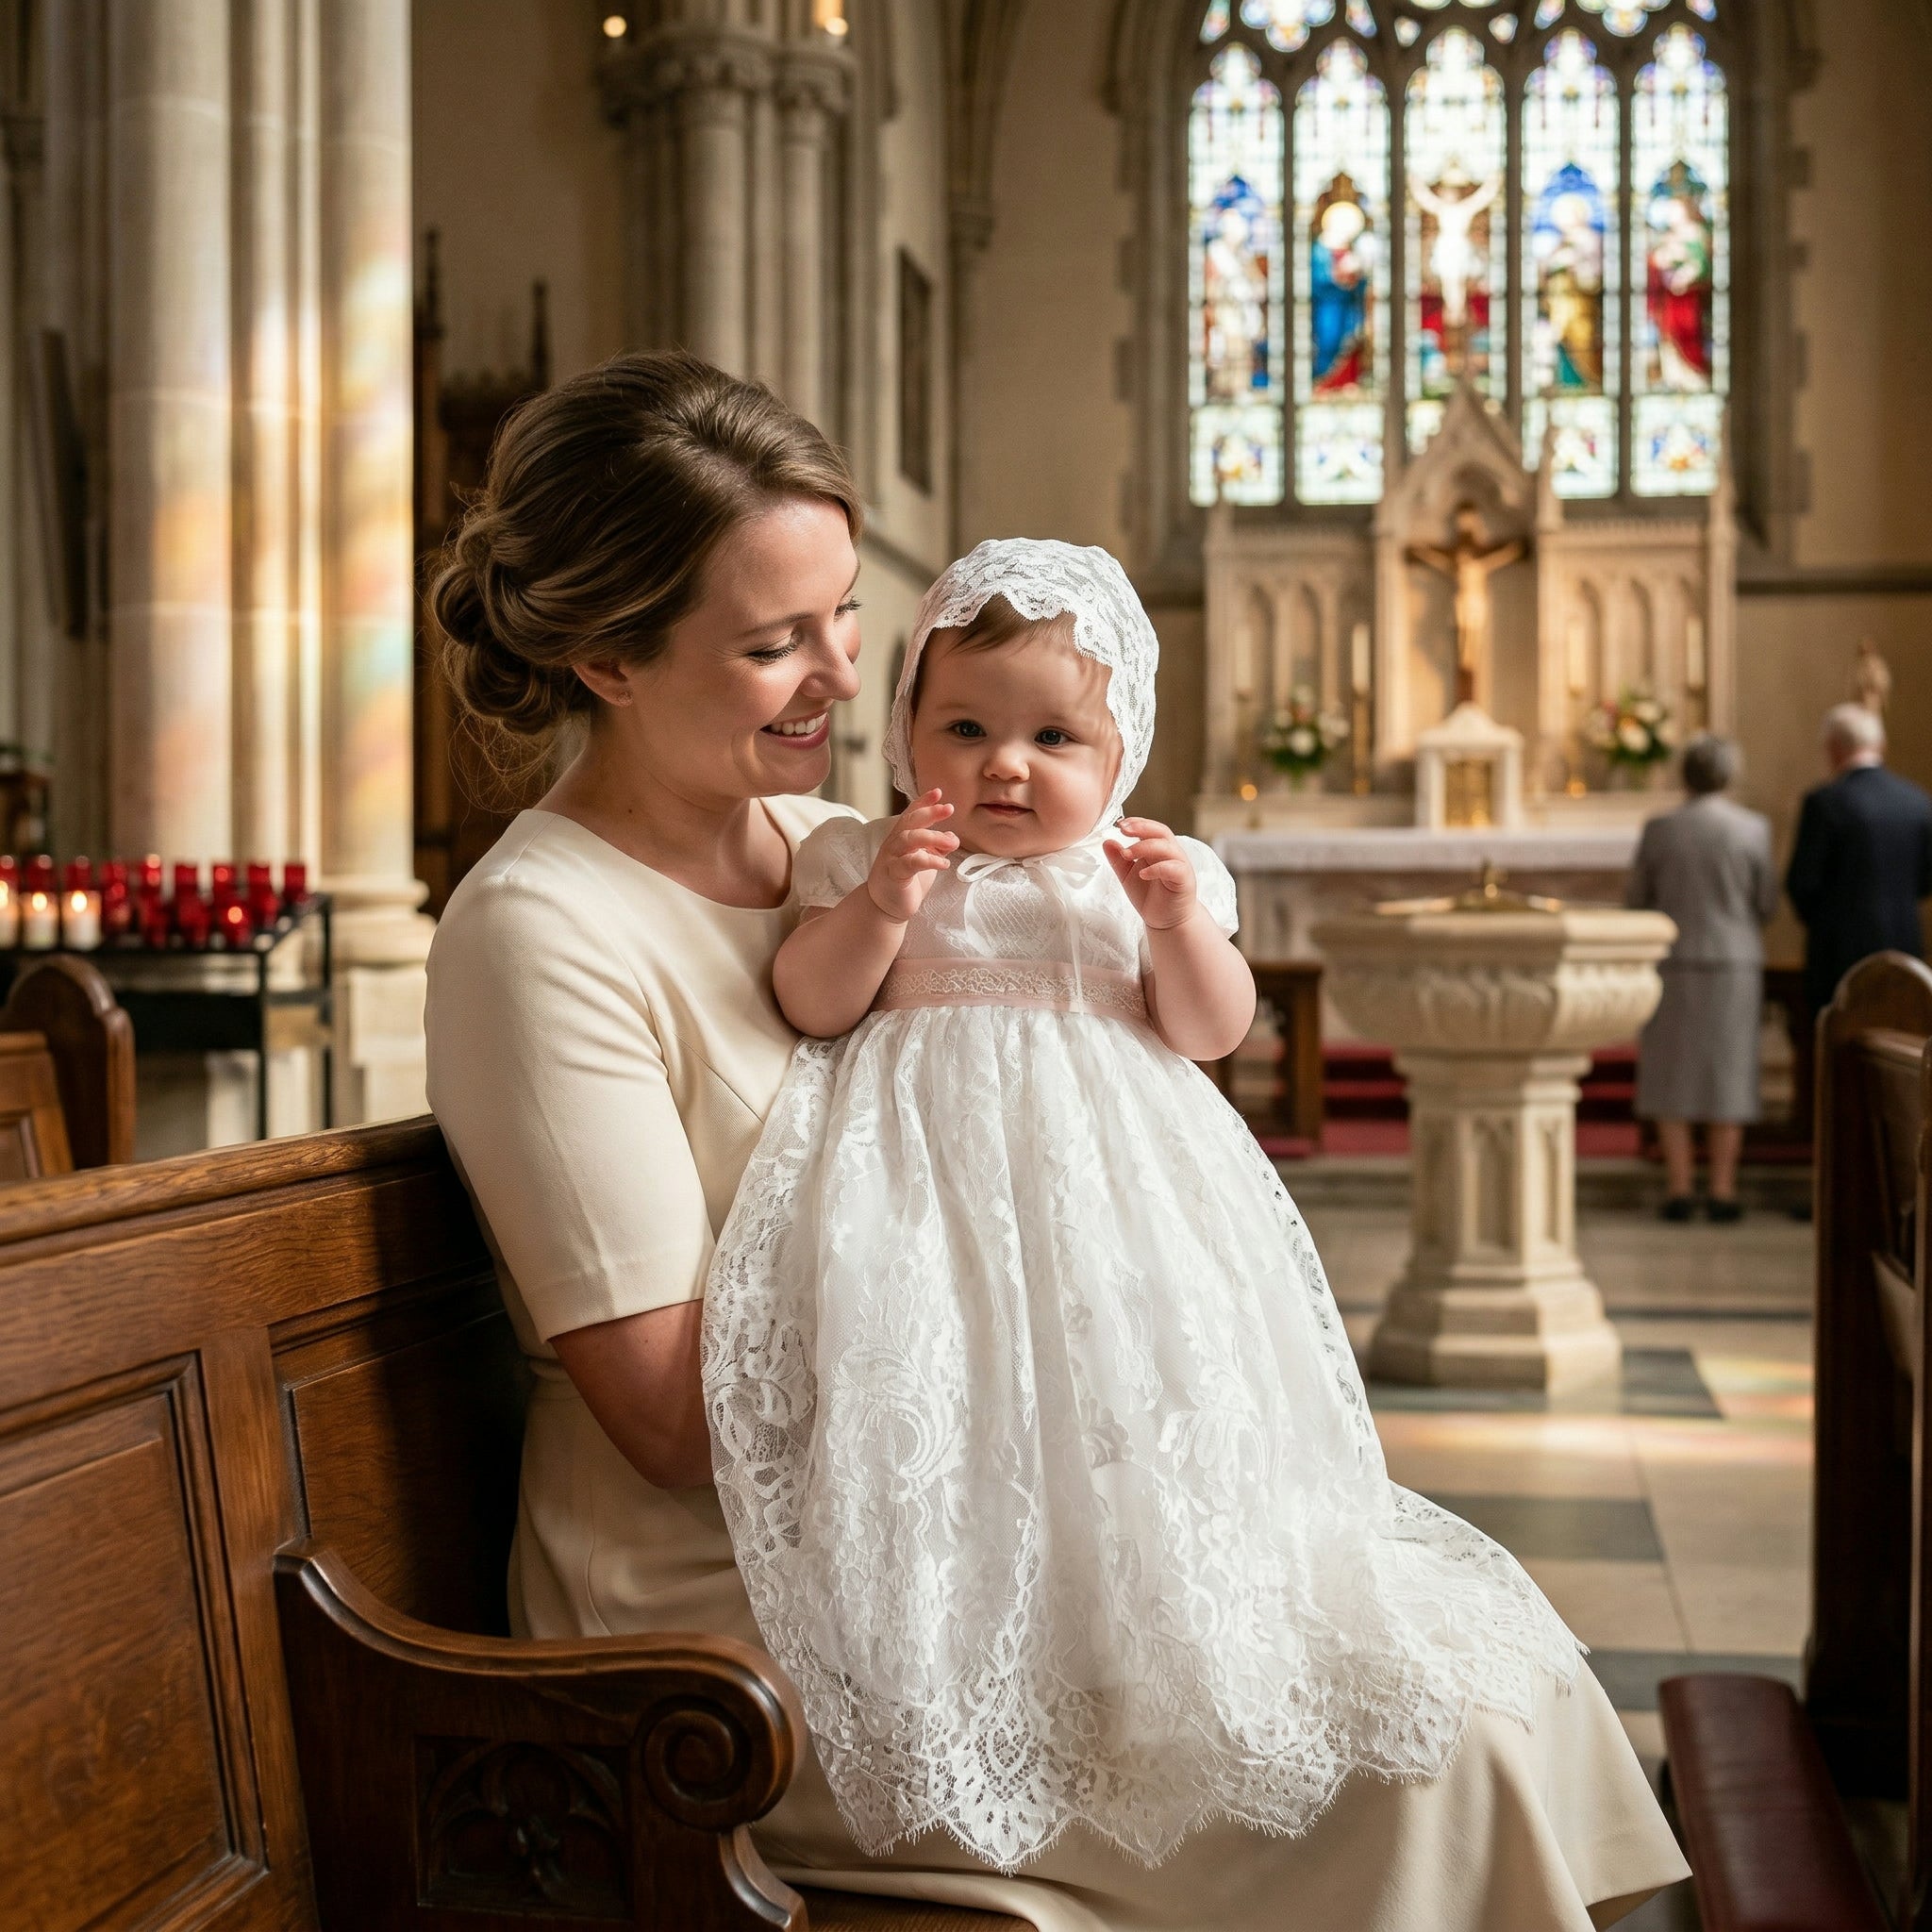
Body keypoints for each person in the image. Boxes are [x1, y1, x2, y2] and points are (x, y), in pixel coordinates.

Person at [425, 348, 1688, 1930]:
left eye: (843, 618)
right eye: (771, 642)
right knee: (1426, 1768)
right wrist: (1037, 1325)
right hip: (732, 1615)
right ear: (609, 658)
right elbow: (675, 1423)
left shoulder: (842, 844)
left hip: (996, 1522)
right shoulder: (541, 931)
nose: (839, 678)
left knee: (1491, 1670)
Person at [708, 541, 1613, 1871]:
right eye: (964, 729)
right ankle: (974, 1627)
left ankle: (1134, 1619)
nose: (1005, 766)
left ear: (1120, 748)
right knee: (962, 1397)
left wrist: (1182, 925)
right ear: (904, 729)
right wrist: (886, 905)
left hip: (1115, 1203)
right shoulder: (867, 855)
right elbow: (813, 1001)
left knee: (1130, 1395)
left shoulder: (1135, 870)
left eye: (1052, 737)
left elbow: (1207, 1029)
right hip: (930, 1197)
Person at [1625, 736, 1778, 1223]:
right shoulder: (1752, 828)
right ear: (1729, 775)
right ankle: (1722, 1189)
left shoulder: (1661, 829)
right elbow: (1766, 901)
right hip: (1733, 963)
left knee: (1671, 1075)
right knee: (1728, 1074)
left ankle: (1679, 1187)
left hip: (1674, 959)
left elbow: (1637, 900)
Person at [1787, 702, 1932, 1018]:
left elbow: (1803, 884)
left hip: (1838, 957)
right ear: (1880, 744)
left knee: (1837, 1042)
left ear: (1833, 748)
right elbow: (1925, 881)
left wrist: (1830, 921)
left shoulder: (1824, 803)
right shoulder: (1918, 802)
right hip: (1903, 950)